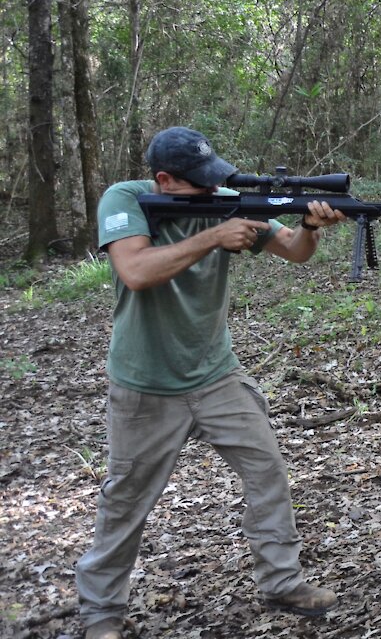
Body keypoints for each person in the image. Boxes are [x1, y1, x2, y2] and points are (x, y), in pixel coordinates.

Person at [77, 127, 345, 639]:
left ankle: (282, 581)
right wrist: (213, 237)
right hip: (146, 383)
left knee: (268, 473)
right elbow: (134, 270)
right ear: (164, 181)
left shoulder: (227, 201)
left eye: (212, 181)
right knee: (126, 501)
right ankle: (101, 613)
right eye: (197, 184)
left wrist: (310, 225)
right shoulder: (127, 199)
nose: (211, 192)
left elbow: (294, 249)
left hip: (216, 374)